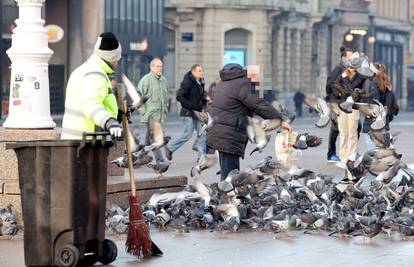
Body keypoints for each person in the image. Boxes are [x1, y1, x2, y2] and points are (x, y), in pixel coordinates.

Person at [206, 63, 293, 180]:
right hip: (228, 135)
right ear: (251, 75)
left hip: (219, 132)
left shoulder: (224, 83)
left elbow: (238, 106)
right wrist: (280, 119)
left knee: (228, 174)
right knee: (231, 178)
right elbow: (258, 104)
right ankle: (227, 197)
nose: (259, 80)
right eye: (258, 76)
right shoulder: (244, 84)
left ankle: (227, 195)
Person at [61, 32, 123, 140]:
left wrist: (117, 114)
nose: (116, 63)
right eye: (116, 59)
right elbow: (91, 105)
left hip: (76, 138)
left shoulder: (83, 69)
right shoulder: (95, 74)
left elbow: (91, 101)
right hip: (86, 141)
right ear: (111, 59)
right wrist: (109, 121)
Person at [165, 64, 207, 160]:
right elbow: (179, 96)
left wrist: (204, 100)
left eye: (202, 71)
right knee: (187, 134)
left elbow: (200, 96)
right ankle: (170, 147)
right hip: (188, 113)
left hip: (197, 113)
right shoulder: (187, 81)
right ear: (193, 71)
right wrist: (191, 106)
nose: (202, 73)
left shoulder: (200, 81)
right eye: (199, 71)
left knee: (202, 133)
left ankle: (201, 157)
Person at [334, 53, 367, 163]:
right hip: (342, 106)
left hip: (353, 107)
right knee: (343, 132)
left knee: (352, 132)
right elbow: (335, 85)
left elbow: (352, 89)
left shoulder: (361, 76)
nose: (350, 68)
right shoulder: (343, 74)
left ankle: (351, 156)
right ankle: (343, 156)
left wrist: (345, 80)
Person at [137, 58, 169, 166]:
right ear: (151, 67)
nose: (160, 68)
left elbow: (165, 97)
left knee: (149, 139)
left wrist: (165, 109)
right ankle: (160, 160)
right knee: (155, 138)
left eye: (161, 66)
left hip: (159, 115)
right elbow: (138, 98)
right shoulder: (146, 80)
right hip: (150, 115)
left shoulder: (164, 80)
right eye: (157, 66)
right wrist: (143, 112)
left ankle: (140, 156)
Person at [325, 46, 353, 162]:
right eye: (349, 57)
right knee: (336, 128)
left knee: (346, 127)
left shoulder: (348, 69)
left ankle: (348, 150)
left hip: (343, 102)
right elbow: (330, 82)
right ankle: (331, 154)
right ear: (343, 58)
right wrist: (336, 96)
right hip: (336, 102)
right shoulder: (339, 68)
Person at [362, 63, 398, 149]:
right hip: (383, 119)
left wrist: (363, 97)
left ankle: (375, 159)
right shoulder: (386, 83)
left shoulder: (373, 83)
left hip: (373, 117)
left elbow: (374, 100)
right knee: (379, 144)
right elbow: (392, 104)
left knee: (370, 143)